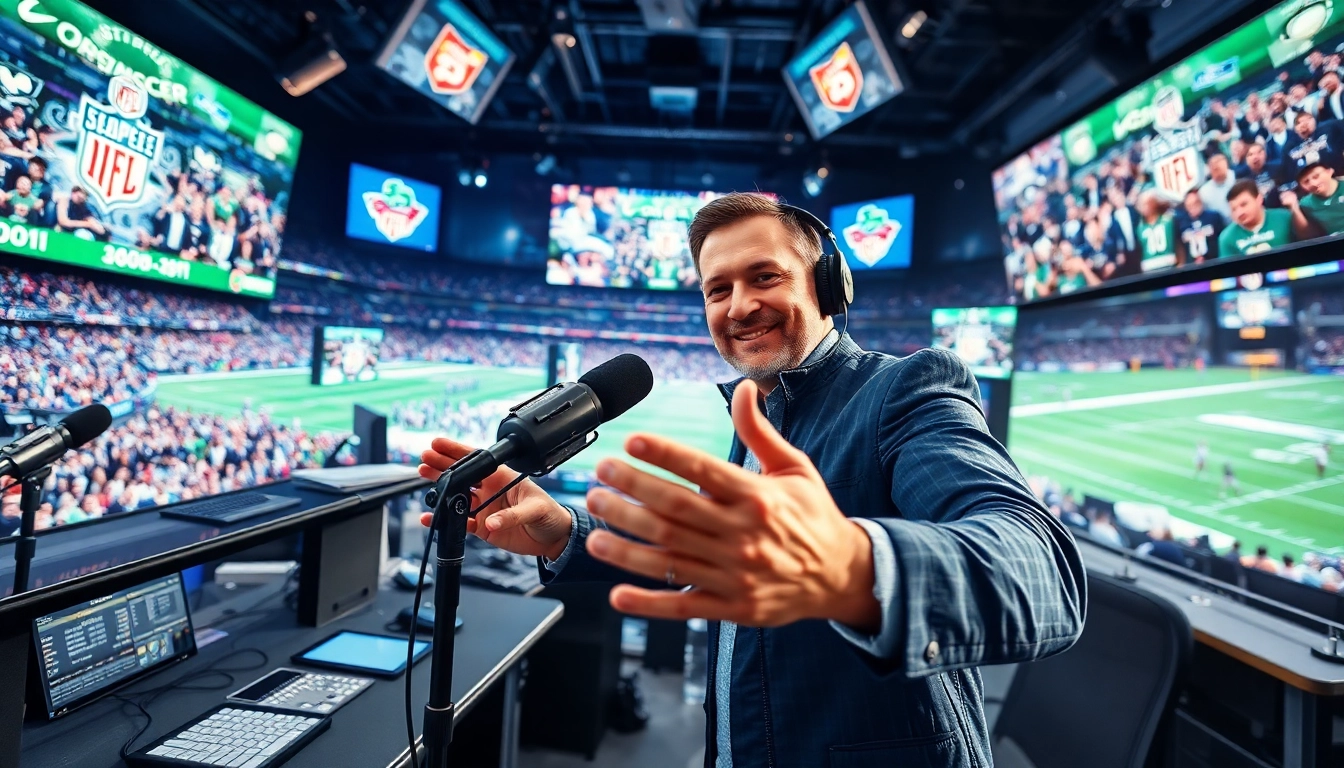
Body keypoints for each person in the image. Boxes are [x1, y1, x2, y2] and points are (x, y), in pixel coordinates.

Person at [418, 193, 1086, 767]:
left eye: (764, 277)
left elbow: (1041, 572)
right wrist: (564, 532)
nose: (740, 306)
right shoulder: (755, 411)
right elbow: (710, 561)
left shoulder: (907, 389)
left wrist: (854, 566)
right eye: (718, 289)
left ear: (826, 285)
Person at [1218, 179, 1307, 257]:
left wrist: (1295, 209)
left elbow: (1307, 242)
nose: (1239, 213)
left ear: (1259, 200)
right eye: (1233, 209)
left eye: (1244, 204)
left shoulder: (1284, 217)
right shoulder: (1227, 237)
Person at [1135, 190, 1183, 272]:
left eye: (1146, 204)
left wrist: (1181, 263)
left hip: (1169, 265)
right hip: (1149, 268)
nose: (1143, 207)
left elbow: (1179, 243)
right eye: (1141, 204)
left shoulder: (1168, 220)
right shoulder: (1139, 227)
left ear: (1153, 203)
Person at [1293, 162, 1344, 235]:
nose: (1313, 183)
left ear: (1329, 171)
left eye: (1316, 176)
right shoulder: (1305, 205)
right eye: (1306, 181)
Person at [1175, 188, 1224, 263]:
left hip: (1214, 261)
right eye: (1189, 205)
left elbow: (1222, 238)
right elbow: (1179, 247)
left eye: (1195, 203)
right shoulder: (1181, 223)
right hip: (1192, 266)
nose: (1193, 207)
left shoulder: (1213, 217)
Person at [1198, 152, 1237, 221]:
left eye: (1218, 163)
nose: (1215, 166)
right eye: (1212, 165)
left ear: (1226, 163)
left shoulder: (1238, 177)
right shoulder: (1204, 192)